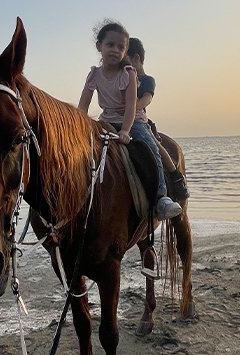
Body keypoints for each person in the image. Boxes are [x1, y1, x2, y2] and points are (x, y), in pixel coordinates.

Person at [78, 21, 182, 220]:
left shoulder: (128, 74)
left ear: (125, 51)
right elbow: (83, 103)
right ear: (99, 46)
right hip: (106, 119)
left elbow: (131, 106)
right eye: (110, 45)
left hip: (132, 120)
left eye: (121, 47)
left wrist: (126, 130)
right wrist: (78, 125)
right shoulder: (94, 75)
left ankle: (161, 198)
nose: (115, 50)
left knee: (151, 148)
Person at [127, 37, 190, 201]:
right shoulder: (122, 77)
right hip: (118, 117)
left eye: (125, 60)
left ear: (136, 59)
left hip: (138, 119)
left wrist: (133, 108)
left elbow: (147, 98)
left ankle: (175, 176)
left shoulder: (147, 80)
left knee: (154, 145)